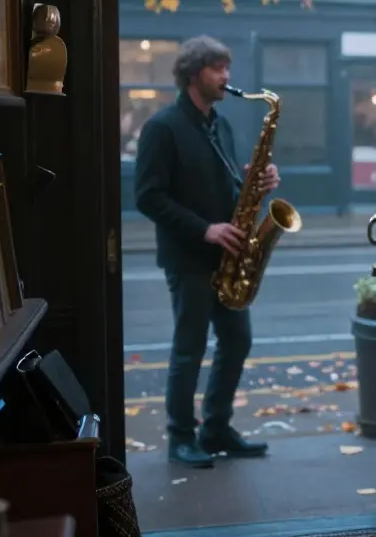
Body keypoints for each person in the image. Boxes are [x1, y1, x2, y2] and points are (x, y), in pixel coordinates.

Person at [134, 35, 280, 469]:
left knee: (237, 340)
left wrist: (256, 183)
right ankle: (181, 437)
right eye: (218, 69)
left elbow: (229, 190)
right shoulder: (162, 128)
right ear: (195, 74)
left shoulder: (220, 126)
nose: (226, 77)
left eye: (227, 68)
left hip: (227, 255)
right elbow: (148, 197)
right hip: (189, 256)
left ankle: (216, 428)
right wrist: (205, 230)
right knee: (189, 349)